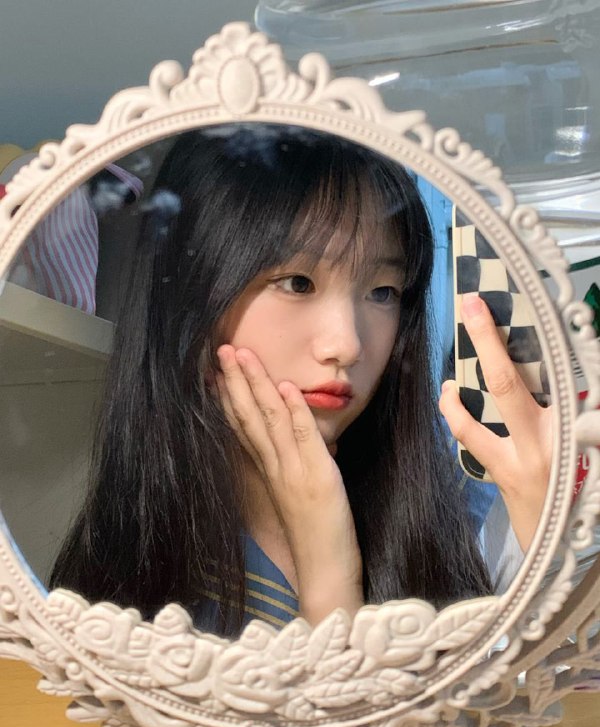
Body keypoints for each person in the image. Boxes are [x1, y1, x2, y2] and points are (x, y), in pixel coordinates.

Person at [48, 124, 551, 637]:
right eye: (297, 283)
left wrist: (543, 515)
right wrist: (324, 557)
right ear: (191, 297)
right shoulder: (124, 587)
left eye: (383, 292)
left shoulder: (458, 505)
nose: (346, 345)